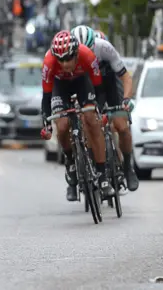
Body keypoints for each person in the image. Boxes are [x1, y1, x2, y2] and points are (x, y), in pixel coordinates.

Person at [40, 31, 114, 200]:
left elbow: (99, 88)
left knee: (91, 121)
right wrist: (46, 123)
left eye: (68, 59)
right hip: (60, 86)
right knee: (63, 124)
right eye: (61, 60)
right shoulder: (49, 63)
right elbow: (46, 96)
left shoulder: (87, 55)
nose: (65, 64)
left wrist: (99, 110)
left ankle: (102, 177)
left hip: (82, 82)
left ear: (76, 53)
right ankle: (70, 162)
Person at [70, 25, 139, 194]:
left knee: (121, 126)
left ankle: (128, 167)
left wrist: (127, 99)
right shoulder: (71, 55)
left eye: (90, 49)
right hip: (88, 86)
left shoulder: (105, 48)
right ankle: (93, 165)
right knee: (88, 123)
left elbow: (125, 77)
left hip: (109, 85)